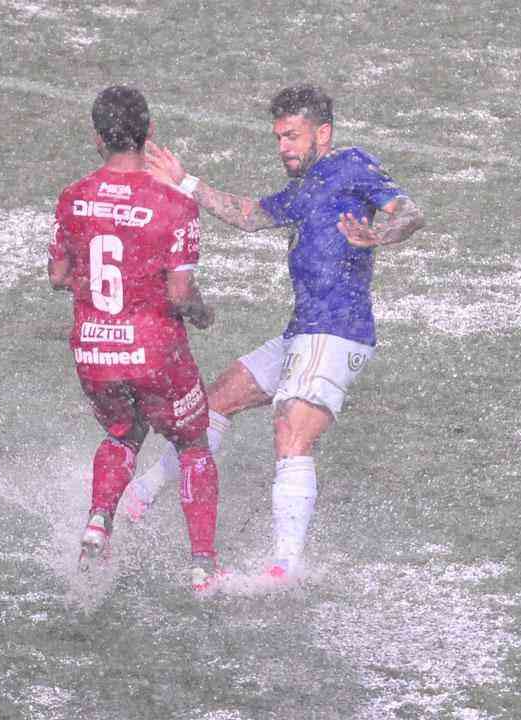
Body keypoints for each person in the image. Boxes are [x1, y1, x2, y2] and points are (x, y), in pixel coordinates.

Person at [127, 83, 425, 582]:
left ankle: (286, 565)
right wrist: (186, 183)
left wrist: (381, 234)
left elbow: (411, 213)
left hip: (336, 332)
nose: (283, 146)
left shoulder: (352, 164)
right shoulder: (304, 187)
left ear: (322, 133)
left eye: (292, 136)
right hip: (302, 333)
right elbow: (251, 217)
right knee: (216, 399)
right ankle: (141, 496)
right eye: (278, 137)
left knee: (290, 428)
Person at [47, 85, 223, 593]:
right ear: (148, 134)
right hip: (154, 351)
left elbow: (59, 275)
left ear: (96, 138)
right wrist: (202, 314)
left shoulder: (73, 197)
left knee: (123, 433)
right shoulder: (174, 204)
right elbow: (180, 290)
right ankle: (203, 566)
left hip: (94, 350)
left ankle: (98, 521)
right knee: (193, 444)